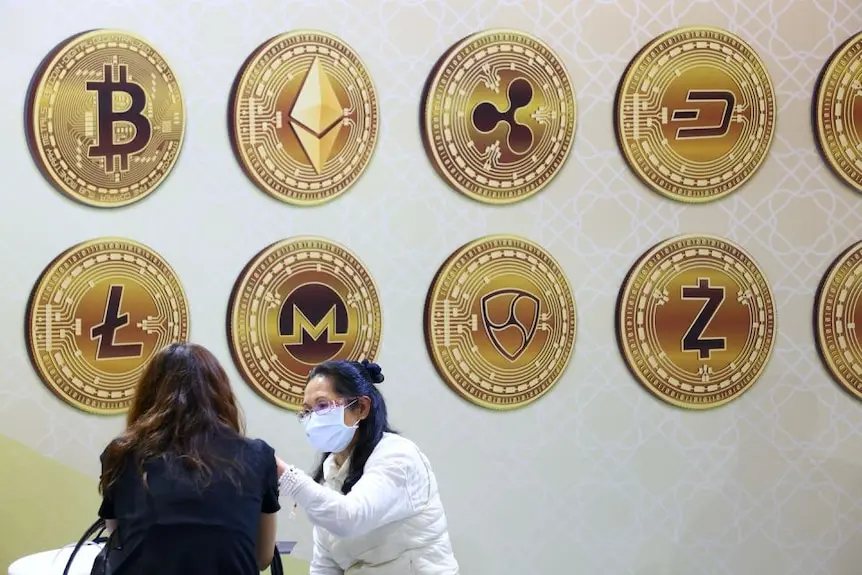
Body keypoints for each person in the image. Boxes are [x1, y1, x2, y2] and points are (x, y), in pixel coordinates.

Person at [97, 343, 280, 574]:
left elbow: (120, 544)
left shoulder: (120, 454)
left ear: (147, 395)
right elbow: (263, 556)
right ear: (221, 394)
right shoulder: (258, 456)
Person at [275, 359, 460, 574]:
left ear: (361, 408)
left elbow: (350, 518)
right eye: (306, 412)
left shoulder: (398, 456)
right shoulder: (328, 477)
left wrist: (285, 475)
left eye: (323, 406)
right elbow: (325, 565)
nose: (312, 419)